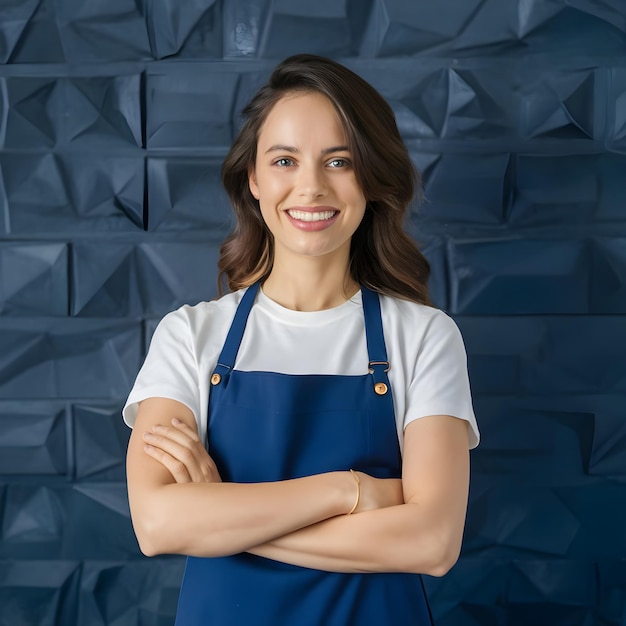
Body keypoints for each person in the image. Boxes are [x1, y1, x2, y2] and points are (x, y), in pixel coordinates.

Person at [124, 53, 479, 625]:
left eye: (338, 161)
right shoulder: (190, 336)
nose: (310, 187)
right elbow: (157, 525)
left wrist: (221, 520)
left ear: (370, 179)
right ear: (255, 181)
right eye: (285, 160)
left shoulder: (424, 337)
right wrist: (349, 491)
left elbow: (432, 544)